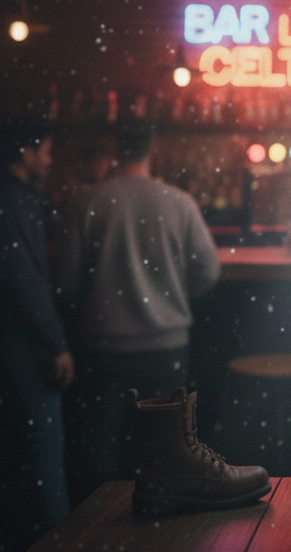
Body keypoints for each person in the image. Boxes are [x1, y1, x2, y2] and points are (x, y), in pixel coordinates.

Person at [54, 120, 221, 500]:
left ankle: (103, 534)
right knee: (166, 455)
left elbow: (63, 282)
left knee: (101, 457)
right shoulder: (179, 202)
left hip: (103, 348)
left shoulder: (88, 201)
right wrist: (173, 296)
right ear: (153, 150)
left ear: (115, 150)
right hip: (166, 347)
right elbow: (208, 271)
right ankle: (163, 532)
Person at [0, 118, 73, 551]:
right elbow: (24, 277)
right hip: (20, 341)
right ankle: (59, 539)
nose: (49, 158)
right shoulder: (14, 201)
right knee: (42, 446)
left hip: (15, 336)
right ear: (25, 154)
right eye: (44, 150)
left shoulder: (16, 198)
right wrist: (57, 343)